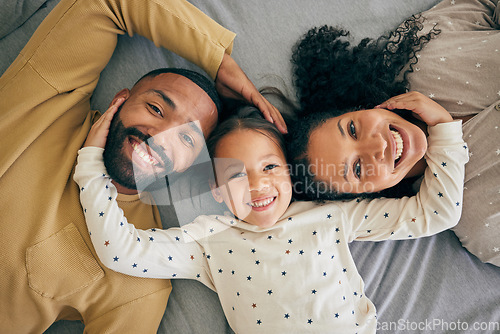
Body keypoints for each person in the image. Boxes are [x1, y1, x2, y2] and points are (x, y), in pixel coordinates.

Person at [0, 0, 285, 331]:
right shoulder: (47, 102)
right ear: (120, 100)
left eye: (187, 139)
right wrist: (220, 63)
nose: (161, 137)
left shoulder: (141, 272)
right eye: (155, 108)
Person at [73, 95, 467, 333]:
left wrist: (444, 129)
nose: (258, 186)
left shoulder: (331, 217)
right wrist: (90, 167)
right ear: (215, 188)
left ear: (291, 174)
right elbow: (120, 250)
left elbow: (435, 212)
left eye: (270, 167)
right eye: (235, 175)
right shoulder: (208, 240)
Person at [288, 0, 500, 265]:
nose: (377, 146)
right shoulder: (479, 223)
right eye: (357, 169)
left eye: (353, 129)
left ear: (358, 108)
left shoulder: (421, 51)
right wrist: (443, 129)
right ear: (368, 197)